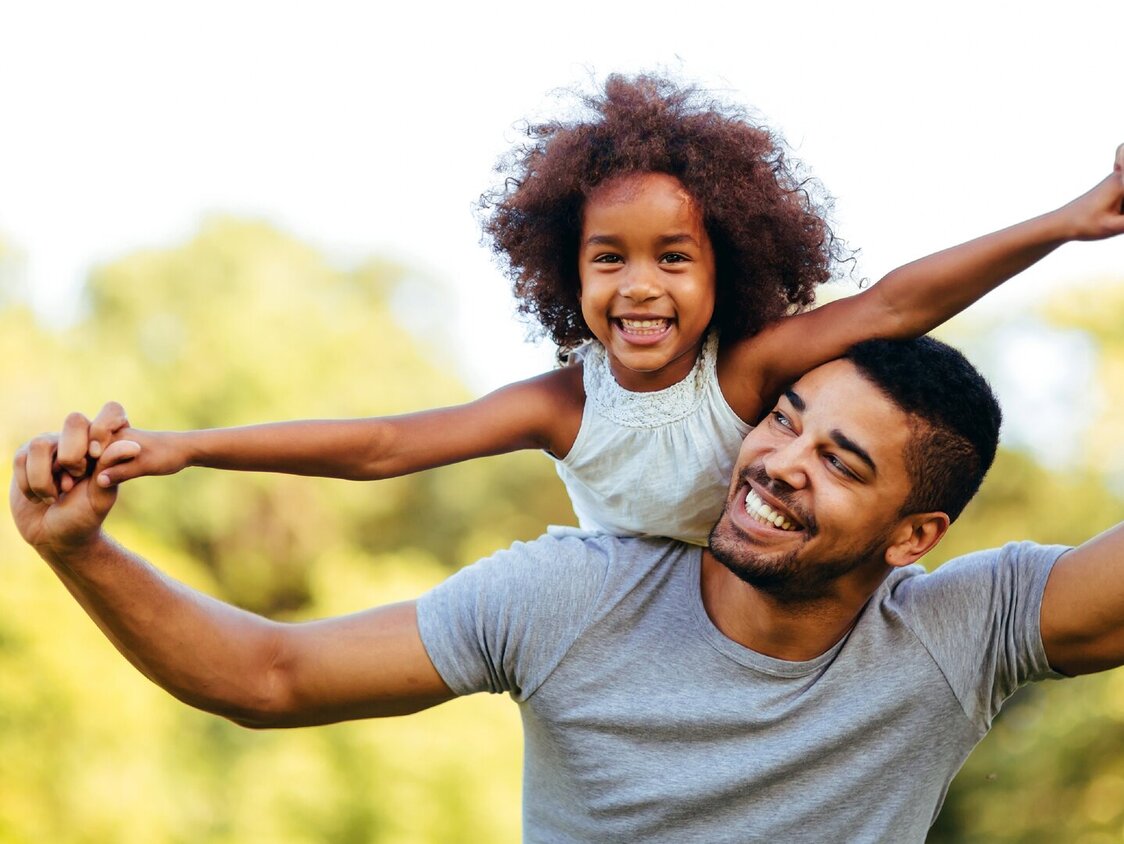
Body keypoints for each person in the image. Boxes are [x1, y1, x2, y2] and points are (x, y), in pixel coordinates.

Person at [14, 335, 1124, 841]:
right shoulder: (573, 592)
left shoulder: (951, 629)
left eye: (839, 462)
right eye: (784, 417)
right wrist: (80, 551)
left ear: (911, 533)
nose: (782, 460)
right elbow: (269, 671)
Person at [68, 76, 1124, 548]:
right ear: (565, 274)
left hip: (771, 598)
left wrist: (1067, 221)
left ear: (727, 267)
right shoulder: (561, 405)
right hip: (627, 627)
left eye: (673, 257)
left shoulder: (749, 374)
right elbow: (387, 444)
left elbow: (897, 298)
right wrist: (186, 447)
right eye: (605, 259)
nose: (639, 288)